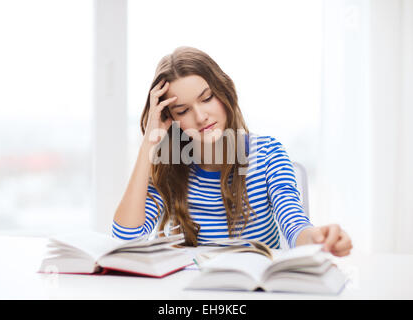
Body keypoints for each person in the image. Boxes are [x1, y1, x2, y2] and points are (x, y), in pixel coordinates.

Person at [112, 46, 352, 257]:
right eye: (183, 110)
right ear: (170, 119)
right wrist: (148, 144)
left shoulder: (268, 154)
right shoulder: (171, 167)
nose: (200, 116)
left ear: (224, 91)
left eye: (206, 98)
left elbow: (294, 224)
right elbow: (125, 240)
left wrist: (319, 239)